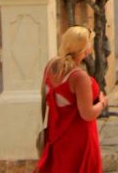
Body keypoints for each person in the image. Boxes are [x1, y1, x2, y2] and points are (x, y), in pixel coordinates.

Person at [36, 25, 108, 173]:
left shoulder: (51, 66)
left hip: (56, 136)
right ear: (85, 48)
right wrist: (102, 103)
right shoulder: (78, 76)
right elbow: (87, 113)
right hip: (80, 139)